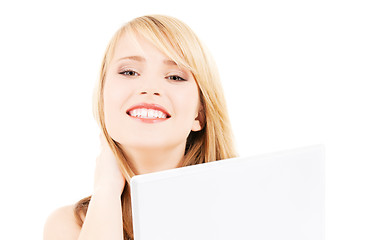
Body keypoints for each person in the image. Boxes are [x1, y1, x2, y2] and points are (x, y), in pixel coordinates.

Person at [43, 14, 237, 240]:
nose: (149, 88)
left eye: (174, 77)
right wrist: (107, 189)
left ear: (200, 115)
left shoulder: (243, 205)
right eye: (129, 72)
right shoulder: (69, 226)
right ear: (103, 98)